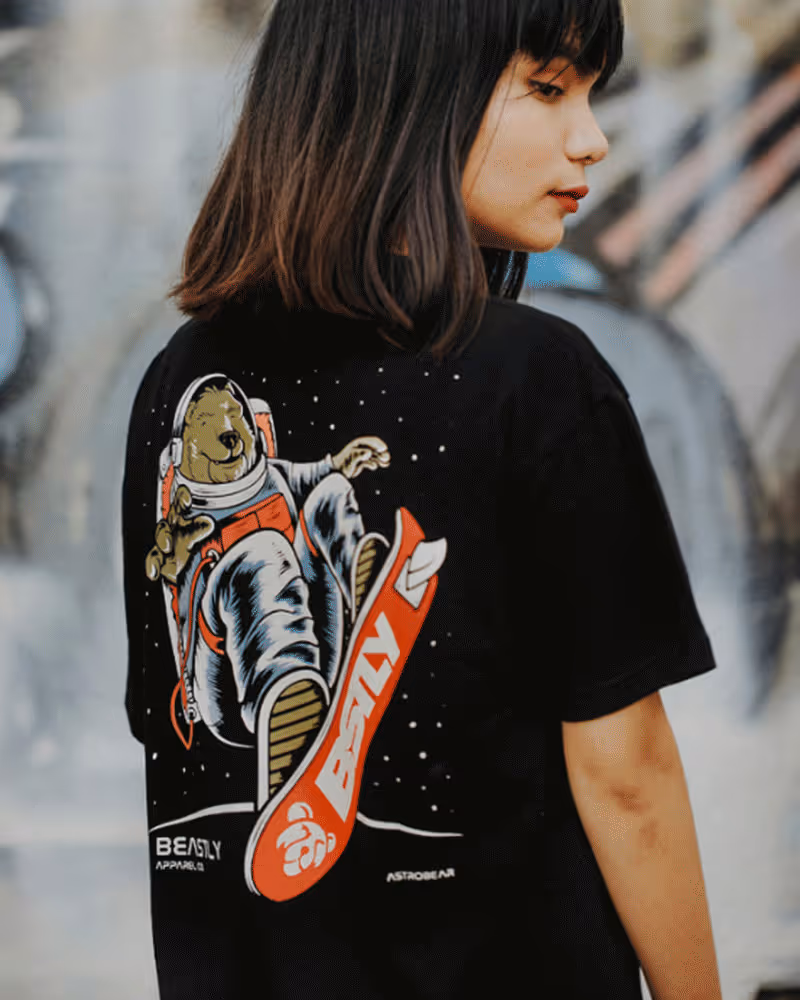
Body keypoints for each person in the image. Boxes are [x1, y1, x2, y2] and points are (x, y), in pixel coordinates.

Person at [121, 1, 724, 997]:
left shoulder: (173, 382)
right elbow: (627, 774)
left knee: (297, 537)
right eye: (545, 86)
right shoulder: (535, 377)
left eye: (589, 92)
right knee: (269, 569)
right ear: (406, 88)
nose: (592, 137)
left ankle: (317, 626)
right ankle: (298, 660)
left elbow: (172, 759)